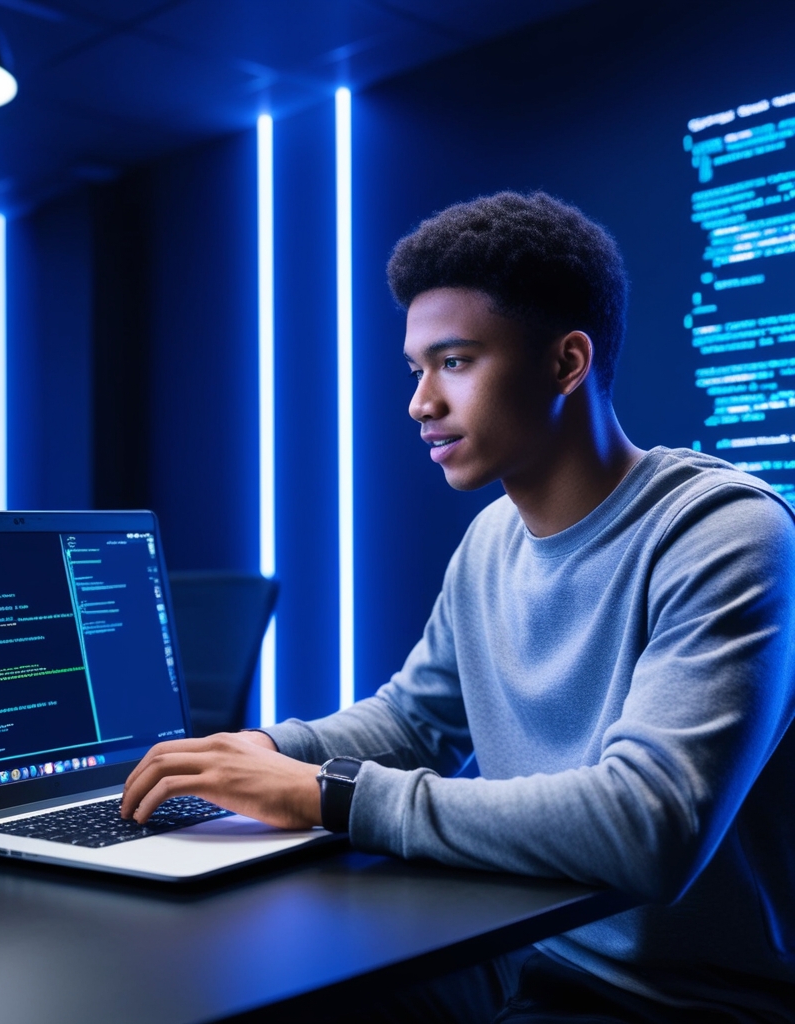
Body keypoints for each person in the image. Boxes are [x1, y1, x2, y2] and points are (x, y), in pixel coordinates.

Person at [121, 192, 795, 1022]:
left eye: (457, 362)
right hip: (520, 950)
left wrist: (324, 793)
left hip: (680, 1002)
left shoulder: (726, 531)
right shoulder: (491, 540)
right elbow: (414, 724)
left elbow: (647, 823)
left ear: (566, 363)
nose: (420, 403)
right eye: (416, 369)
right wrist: (255, 753)